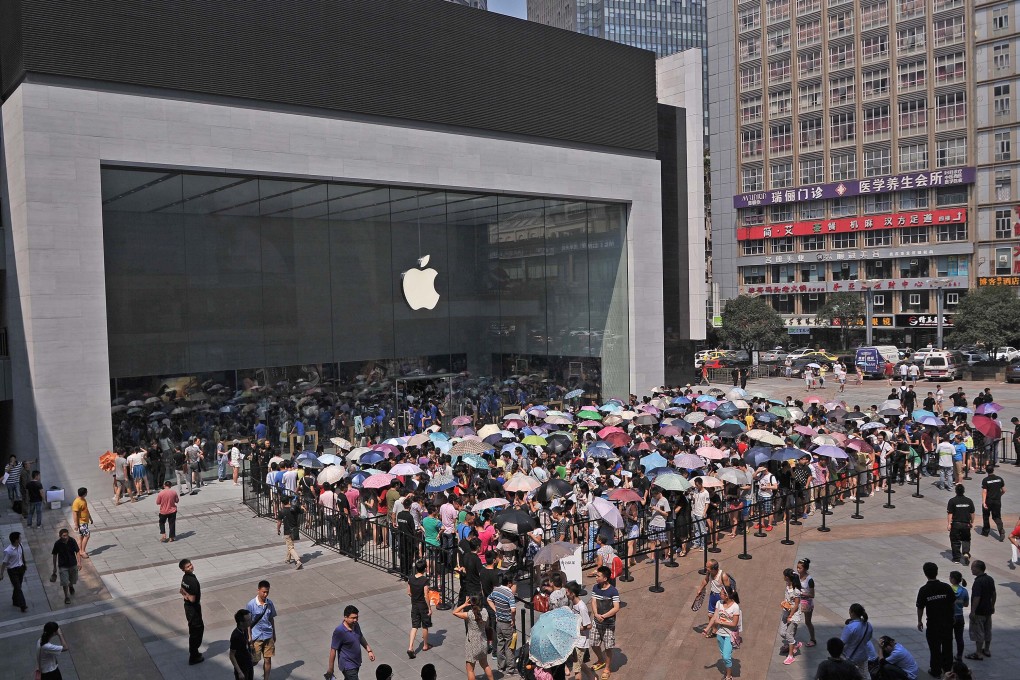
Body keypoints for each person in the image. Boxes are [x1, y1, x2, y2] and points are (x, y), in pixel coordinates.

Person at [916, 562, 955, 678]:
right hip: (947, 623)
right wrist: (952, 616)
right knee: (948, 647)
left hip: (933, 624)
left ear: (925, 574)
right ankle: (948, 669)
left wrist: (919, 621)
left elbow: (920, 607)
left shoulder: (924, 590)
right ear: (937, 572)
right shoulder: (946, 587)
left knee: (935, 649)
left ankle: (936, 670)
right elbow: (953, 603)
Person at [589, 566, 621, 680]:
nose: (596, 577)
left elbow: (616, 607)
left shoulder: (613, 591)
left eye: (598, 576)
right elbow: (593, 601)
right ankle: (600, 659)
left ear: (605, 578)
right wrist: (596, 614)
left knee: (608, 647)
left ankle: (607, 668)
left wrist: (604, 616)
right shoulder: (595, 588)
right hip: (597, 621)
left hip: (608, 624)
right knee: (593, 643)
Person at [328, 605, 376, 680]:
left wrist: (369, 650)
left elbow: (360, 637)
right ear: (345, 617)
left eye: (357, 617)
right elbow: (333, 650)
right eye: (353, 618)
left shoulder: (356, 625)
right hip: (348, 666)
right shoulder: (339, 632)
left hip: (356, 662)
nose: (355, 620)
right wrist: (331, 669)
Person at [702, 586, 740, 680]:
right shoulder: (719, 603)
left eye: (721, 594)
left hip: (729, 635)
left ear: (726, 596)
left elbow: (734, 623)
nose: (719, 595)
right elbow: (715, 617)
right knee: (724, 655)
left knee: (726, 656)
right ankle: (728, 669)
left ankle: (728, 676)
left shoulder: (735, 607)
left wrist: (721, 622)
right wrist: (706, 629)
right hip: (720, 634)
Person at [453, 596, 495, 680]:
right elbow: (487, 626)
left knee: (470, 670)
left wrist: (464, 604)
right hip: (483, 642)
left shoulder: (469, 614)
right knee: (485, 665)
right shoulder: (485, 612)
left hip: (471, 644)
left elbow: (455, 612)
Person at [487, 572, 517, 676]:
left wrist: (496, 610)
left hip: (498, 622)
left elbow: (489, 599)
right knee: (509, 646)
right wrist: (513, 619)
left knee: (500, 644)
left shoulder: (496, 590)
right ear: (509, 583)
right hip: (507, 623)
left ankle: (501, 666)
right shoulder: (509, 594)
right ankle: (510, 669)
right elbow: (513, 609)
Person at [247, 580, 278, 680]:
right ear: (258, 590)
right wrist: (249, 637)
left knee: (268, 659)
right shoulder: (251, 604)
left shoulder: (270, 603)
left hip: (268, 636)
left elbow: (271, 619)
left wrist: (274, 633)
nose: (265, 594)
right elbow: (248, 623)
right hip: (256, 637)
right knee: (254, 661)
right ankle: (247, 674)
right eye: (263, 592)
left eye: (267, 592)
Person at [966, 560, 995, 661]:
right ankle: (986, 650)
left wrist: (973, 611)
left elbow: (976, 597)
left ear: (978, 569)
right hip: (988, 610)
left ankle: (978, 653)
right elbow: (994, 593)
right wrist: (992, 605)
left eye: (973, 568)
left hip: (979, 612)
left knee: (979, 632)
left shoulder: (978, 581)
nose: (971, 569)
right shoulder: (990, 579)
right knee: (987, 630)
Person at [693, 559, 734, 629]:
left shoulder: (723, 576)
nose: (706, 568)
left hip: (721, 597)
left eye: (707, 567)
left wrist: (728, 601)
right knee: (710, 615)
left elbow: (728, 589)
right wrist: (700, 589)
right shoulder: (709, 573)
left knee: (722, 615)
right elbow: (706, 580)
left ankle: (724, 630)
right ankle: (714, 629)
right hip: (713, 596)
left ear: (713, 569)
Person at [178, 558, 204, 665]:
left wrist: (185, 594)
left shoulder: (185, 578)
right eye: (187, 566)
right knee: (197, 630)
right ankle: (194, 655)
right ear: (183, 569)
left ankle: (195, 652)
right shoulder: (192, 581)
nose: (190, 567)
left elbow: (181, 590)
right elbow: (192, 599)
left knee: (194, 629)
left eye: (190, 565)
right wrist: (188, 595)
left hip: (188, 607)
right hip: (193, 608)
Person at [565, 581, 592, 680]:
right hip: (576, 639)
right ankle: (591, 676)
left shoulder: (582, 607)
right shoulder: (574, 604)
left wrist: (578, 628)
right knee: (578, 662)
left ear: (572, 593)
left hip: (581, 641)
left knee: (576, 668)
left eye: (567, 592)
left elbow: (589, 625)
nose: (566, 594)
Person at [840, 603, 874, 679]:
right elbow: (868, 638)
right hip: (863, 655)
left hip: (850, 655)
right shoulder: (868, 625)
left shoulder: (850, 627)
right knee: (865, 675)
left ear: (852, 613)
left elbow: (842, 643)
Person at [407, 559, 432, 658]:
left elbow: (409, 592)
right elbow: (426, 595)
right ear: (425, 569)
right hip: (423, 606)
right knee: (425, 626)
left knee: (414, 626)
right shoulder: (425, 580)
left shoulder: (411, 579)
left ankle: (410, 647)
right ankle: (425, 645)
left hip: (414, 605)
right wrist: (429, 608)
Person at [779, 567, 804, 665]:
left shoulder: (796, 590)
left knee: (789, 634)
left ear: (787, 577)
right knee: (782, 632)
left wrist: (790, 615)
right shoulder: (787, 585)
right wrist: (784, 603)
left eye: (784, 576)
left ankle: (791, 656)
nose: (783, 577)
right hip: (786, 611)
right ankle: (793, 644)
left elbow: (797, 605)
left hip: (793, 614)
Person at [50, 529, 81, 605]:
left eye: (67, 535)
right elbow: (54, 555)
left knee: (72, 579)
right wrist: (54, 567)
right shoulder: (57, 543)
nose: (66, 537)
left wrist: (79, 562)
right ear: (60, 536)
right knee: (64, 582)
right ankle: (66, 597)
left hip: (73, 564)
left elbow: (77, 551)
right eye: (64, 535)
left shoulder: (72, 541)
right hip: (63, 566)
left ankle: (71, 586)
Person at [0, 531, 28, 612]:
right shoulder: (8, 551)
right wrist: (1, 574)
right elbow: (4, 563)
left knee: (18, 586)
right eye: (19, 538)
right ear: (16, 540)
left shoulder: (20, 546)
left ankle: (15, 601)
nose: (21, 539)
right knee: (18, 588)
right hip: (12, 571)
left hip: (21, 569)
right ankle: (23, 605)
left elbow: (21, 557)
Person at [946, 484, 975, 564]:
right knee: (966, 539)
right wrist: (972, 522)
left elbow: (950, 513)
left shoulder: (952, 501)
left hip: (956, 524)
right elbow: (972, 513)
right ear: (963, 491)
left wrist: (949, 524)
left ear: (956, 491)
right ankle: (965, 553)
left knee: (955, 541)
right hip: (966, 524)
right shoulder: (969, 501)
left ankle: (956, 558)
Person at [276, 496, 304, 570]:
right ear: (288, 501)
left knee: (290, 547)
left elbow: (279, 522)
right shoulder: (294, 508)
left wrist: (278, 530)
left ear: (282, 503)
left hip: (287, 531)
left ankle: (298, 561)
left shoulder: (282, 511)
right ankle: (287, 559)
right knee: (290, 544)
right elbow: (302, 511)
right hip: (295, 530)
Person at [979, 465, 1005, 539]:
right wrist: (999, 495)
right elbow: (1003, 490)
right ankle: (1001, 530)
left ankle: (985, 531)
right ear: (993, 470)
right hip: (997, 501)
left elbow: (984, 491)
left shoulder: (985, 480)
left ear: (987, 471)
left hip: (988, 501)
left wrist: (984, 502)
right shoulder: (1000, 479)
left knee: (986, 516)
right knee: (997, 517)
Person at [796, 557, 817, 647]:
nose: (798, 569)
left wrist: (804, 594)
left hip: (807, 603)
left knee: (807, 622)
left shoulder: (810, 580)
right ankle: (791, 640)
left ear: (805, 569)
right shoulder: (797, 576)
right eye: (797, 567)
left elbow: (812, 595)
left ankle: (813, 639)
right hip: (798, 600)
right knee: (794, 620)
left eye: (800, 568)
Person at [949, 571, 968, 662]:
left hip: (949, 617)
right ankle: (959, 656)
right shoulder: (964, 591)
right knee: (959, 638)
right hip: (960, 617)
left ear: (953, 579)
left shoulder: (949, 590)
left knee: (948, 638)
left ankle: (948, 655)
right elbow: (966, 604)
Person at [230, 609, 255, 680]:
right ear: (241, 622)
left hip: (249, 664)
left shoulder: (245, 629)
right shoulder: (236, 636)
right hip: (242, 667)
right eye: (248, 620)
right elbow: (231, 655)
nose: (251, 621)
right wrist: (239, 672)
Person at [71, 487, 92, 558]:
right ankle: (82, 551)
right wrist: (76, 524)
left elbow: (86, 509)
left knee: (81, 537)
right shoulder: (76, 502)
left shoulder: (83, 500)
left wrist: (90, 518)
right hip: (81, 522)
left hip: (85, 521)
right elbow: (74, 514)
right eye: (86, 492)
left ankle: (79, 550)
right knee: (87, 535)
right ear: (84, 493)